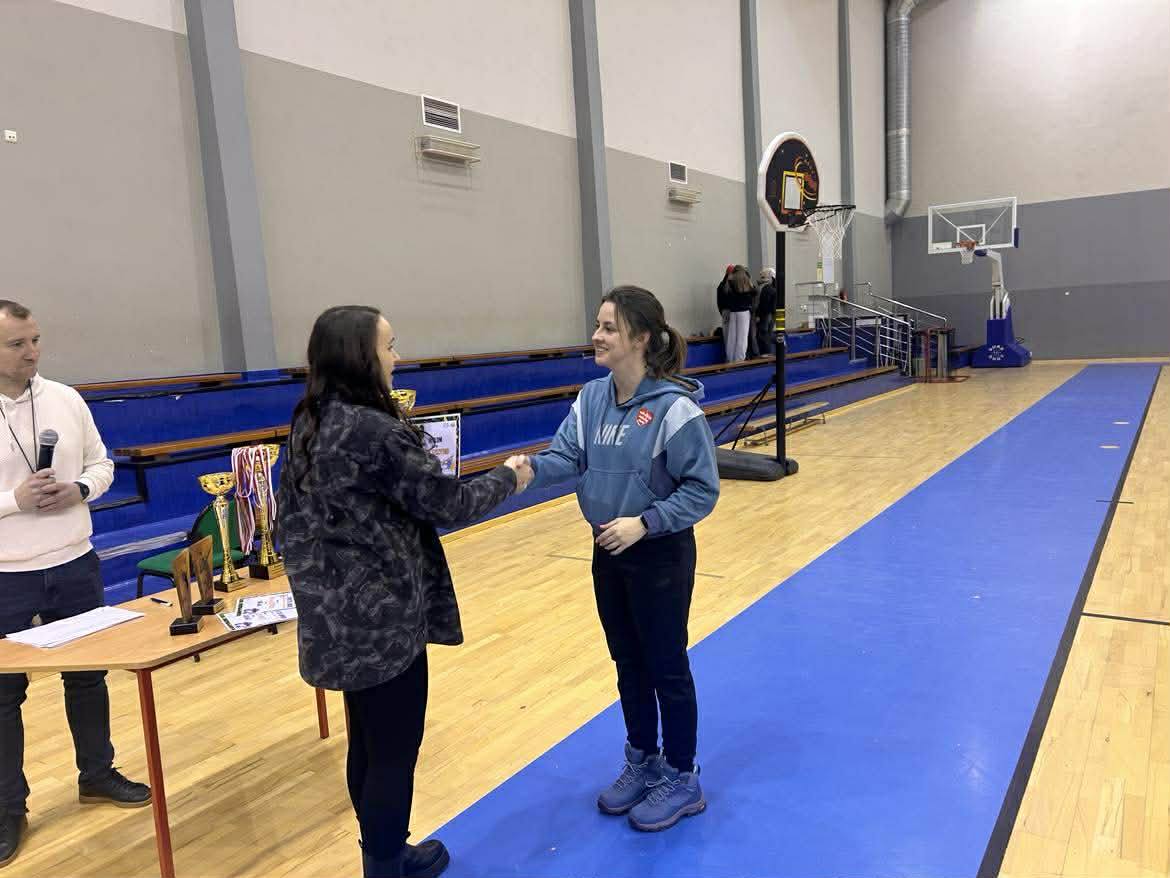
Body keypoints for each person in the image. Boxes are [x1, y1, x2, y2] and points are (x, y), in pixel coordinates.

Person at [276, 305, 533, 878]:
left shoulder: (308, 423)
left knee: (367, 744)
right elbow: (448, 504)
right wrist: (509, 477)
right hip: (382, 624)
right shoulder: (374, 431)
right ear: (360, 356)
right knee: (393, 751)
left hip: (335, 619)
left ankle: (384, 852)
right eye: (389, 346)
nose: (398, 357)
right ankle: (386, 864)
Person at [521, 286, 720, 832]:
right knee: (627, 662)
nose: (596, 336)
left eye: (609, 327)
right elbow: (567, 456)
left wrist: (646, 522)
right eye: (598, 325)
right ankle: (643, 759)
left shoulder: (675, 409)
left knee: (665, 664)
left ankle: (682, 775)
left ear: (641, 338)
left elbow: (702, 490)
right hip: (607, 551)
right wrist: (527, 469)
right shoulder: (591, 399)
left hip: (658, 552)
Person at [0, 300, 151, 868]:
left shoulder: (66, 398)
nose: (32, 352)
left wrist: (80, 490)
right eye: (17, 344)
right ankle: (7, 808)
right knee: (2, 698)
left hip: (74, 562)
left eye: (35, 340)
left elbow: (102, 464)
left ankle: (97, 773)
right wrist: (14, 501)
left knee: (88, 679)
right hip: (6, 574)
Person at [722, 266, 755, 362]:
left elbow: (726, 295)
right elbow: (754, 292)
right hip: (744, 312)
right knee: (742, 337)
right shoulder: (745, 279)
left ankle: (730, 359)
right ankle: (739, 360)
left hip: (733, 312)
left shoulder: (730, 280)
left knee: (731, 337)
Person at [755, 267, 778, 357]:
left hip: (766, 314)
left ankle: (766, 353)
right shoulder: (773, 288)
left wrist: (758, 315)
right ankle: (769, 351)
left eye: (762, 276)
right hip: (772, 314)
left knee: (764, 333)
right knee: (768, 333)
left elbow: (763, 304)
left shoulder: (765, 288)